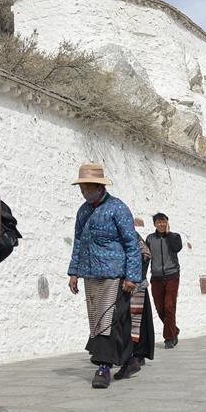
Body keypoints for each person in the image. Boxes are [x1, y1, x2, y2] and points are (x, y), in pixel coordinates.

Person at [67, 163, 142, 389]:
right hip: (91, 274)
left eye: (88, 188)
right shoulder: (83, 211)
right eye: (82, 188)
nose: (84, 192)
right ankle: (129, 360)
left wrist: (131, 276)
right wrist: (74, 272)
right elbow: (78, 241)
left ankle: (104, 367)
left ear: (99, 187)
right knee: (103, 320)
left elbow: (132, 244)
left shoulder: (118, 208)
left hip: (114, 275)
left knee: (108, 319)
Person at [113, 217, 155, 380]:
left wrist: (134, 274)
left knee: (139, 322)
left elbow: (145, 254)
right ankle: (125, 353)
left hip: (136, 285)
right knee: (124, 321)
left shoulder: (134, 237)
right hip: (122, 285)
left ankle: (139, 353)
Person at [145, 212, 183, 348]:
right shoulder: (149, 239)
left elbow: (177, 248)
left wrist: (169, 234)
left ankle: (169, 338)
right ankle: (175, 330)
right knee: (160, 308)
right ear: (154, 224)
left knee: (169, 306)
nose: (161, 224)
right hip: (156, 278)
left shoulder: (175, 237)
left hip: (172, 276)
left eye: (164, 221)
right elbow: (145, 257)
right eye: (158, 222)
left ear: (167, 222)